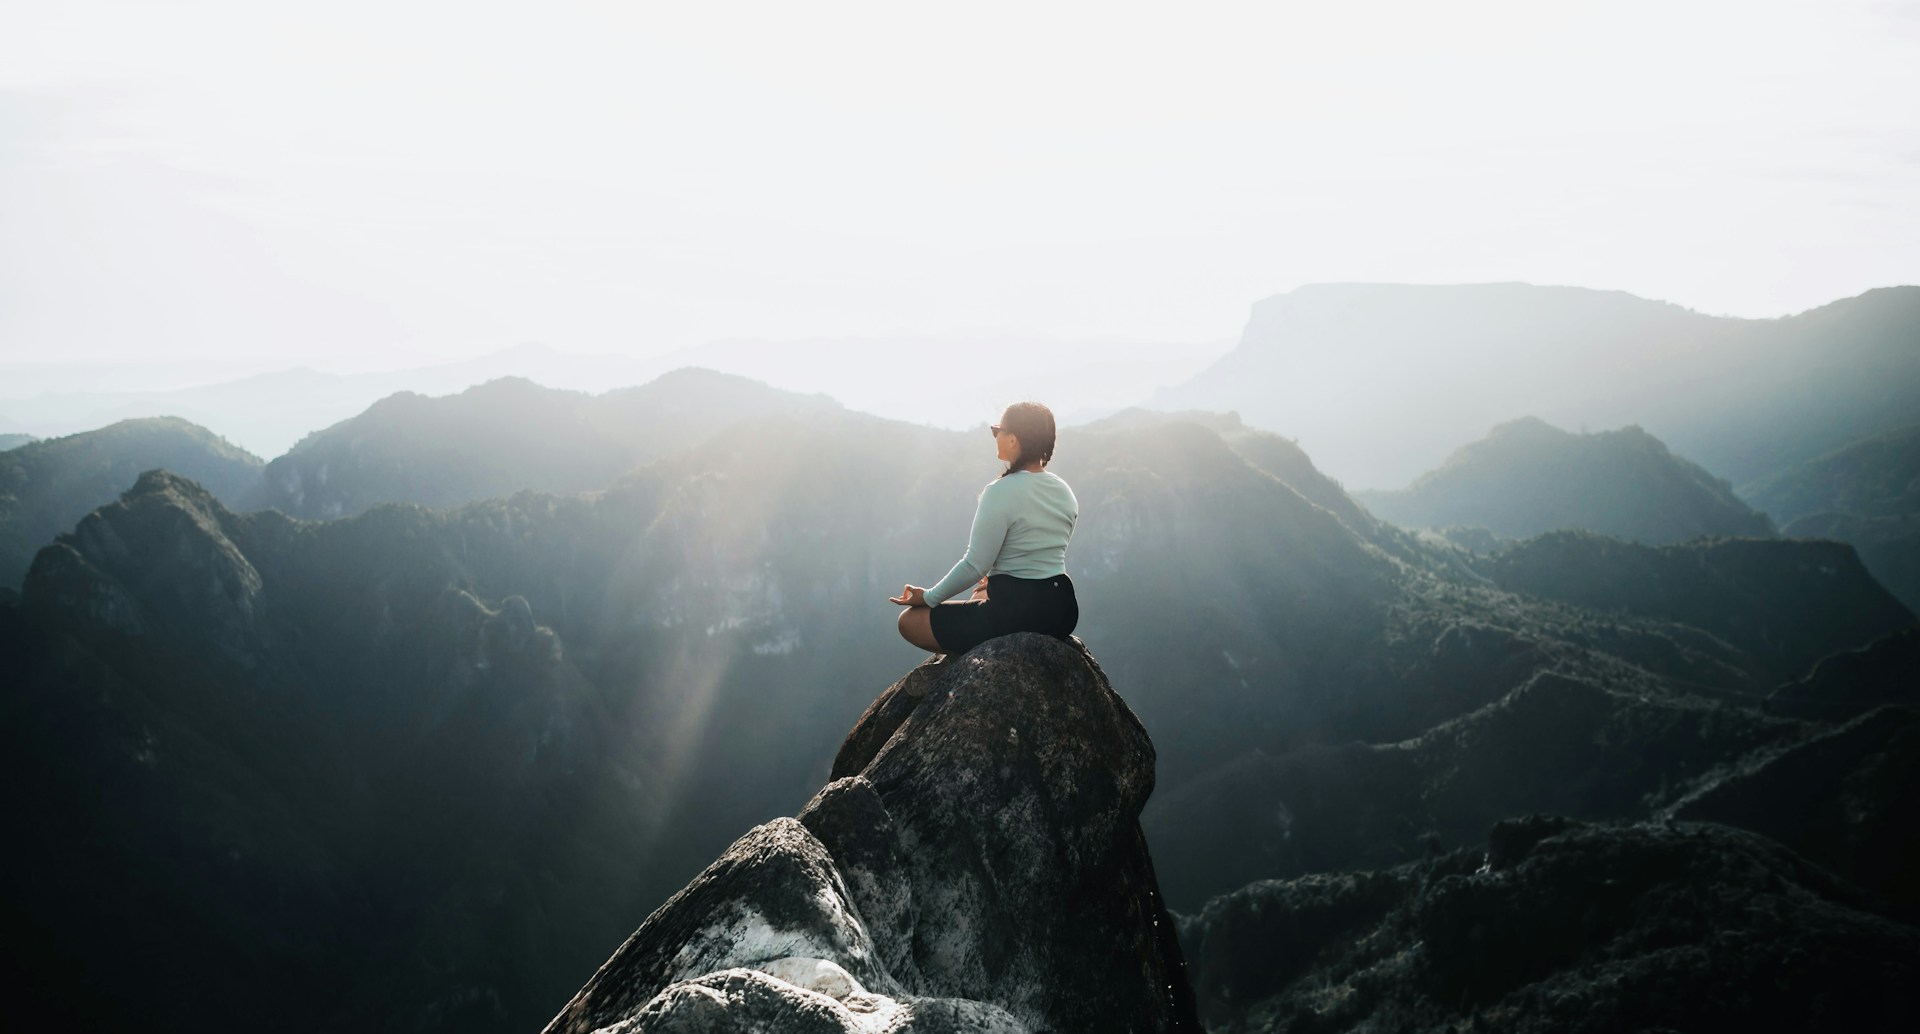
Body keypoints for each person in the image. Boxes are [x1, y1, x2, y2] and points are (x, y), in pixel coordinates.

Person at [891, 401, 1080, 657]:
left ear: (1013, 440)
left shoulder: (999, 491)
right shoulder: (1064, 491)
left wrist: (928, 597)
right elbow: (1038, 554)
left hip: (1015, 612)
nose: (995, 436)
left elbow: (975, 564)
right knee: (981, 590)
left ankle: (970, 656)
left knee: (908, 621)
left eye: (997, 430)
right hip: (1062, 610)